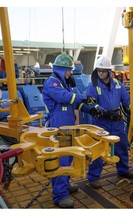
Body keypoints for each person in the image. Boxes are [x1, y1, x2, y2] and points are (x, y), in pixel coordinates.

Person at [42, 53, 96, 208]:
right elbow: (66, 98)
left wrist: (91, 108)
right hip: (58, 126)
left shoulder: (63, 83)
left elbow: (74, 102)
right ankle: (59, 195)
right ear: (60, 70)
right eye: (68, 71)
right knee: (61, 159)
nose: (70, 73)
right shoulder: (52, 83)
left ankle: (64, 185)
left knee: (68, 157)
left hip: (67, 126)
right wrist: (82, 97)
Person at [85, 56, 133, 189]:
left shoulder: (118, 85)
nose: (101, 73)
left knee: (122, 146)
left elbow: (126, 100)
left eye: (103, 70)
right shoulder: (93, 86)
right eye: (99, 71)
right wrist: (105, 112)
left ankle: (123, 171)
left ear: (109, 71)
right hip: (100, 123)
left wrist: (132, 110)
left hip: (117, 122)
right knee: (97, 151)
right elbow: (91, 104)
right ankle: (93, 178)